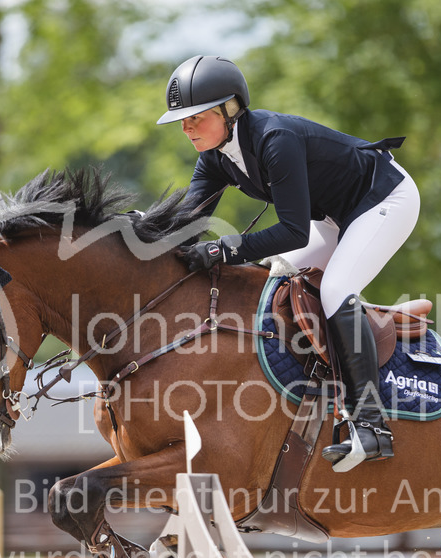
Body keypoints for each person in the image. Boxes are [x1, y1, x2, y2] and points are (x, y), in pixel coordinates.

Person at [158, 55, 421, 472]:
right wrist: (137, 233)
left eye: (196, 118)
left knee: (335, 289)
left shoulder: (274, 140)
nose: (186, 128)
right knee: (270, 281)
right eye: (182, 121)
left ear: (230, 110)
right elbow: (186, 222)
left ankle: (372, 426)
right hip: (333, 216)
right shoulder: (215, 155)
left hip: (383, 199)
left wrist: (225, 250)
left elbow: (294, 232)